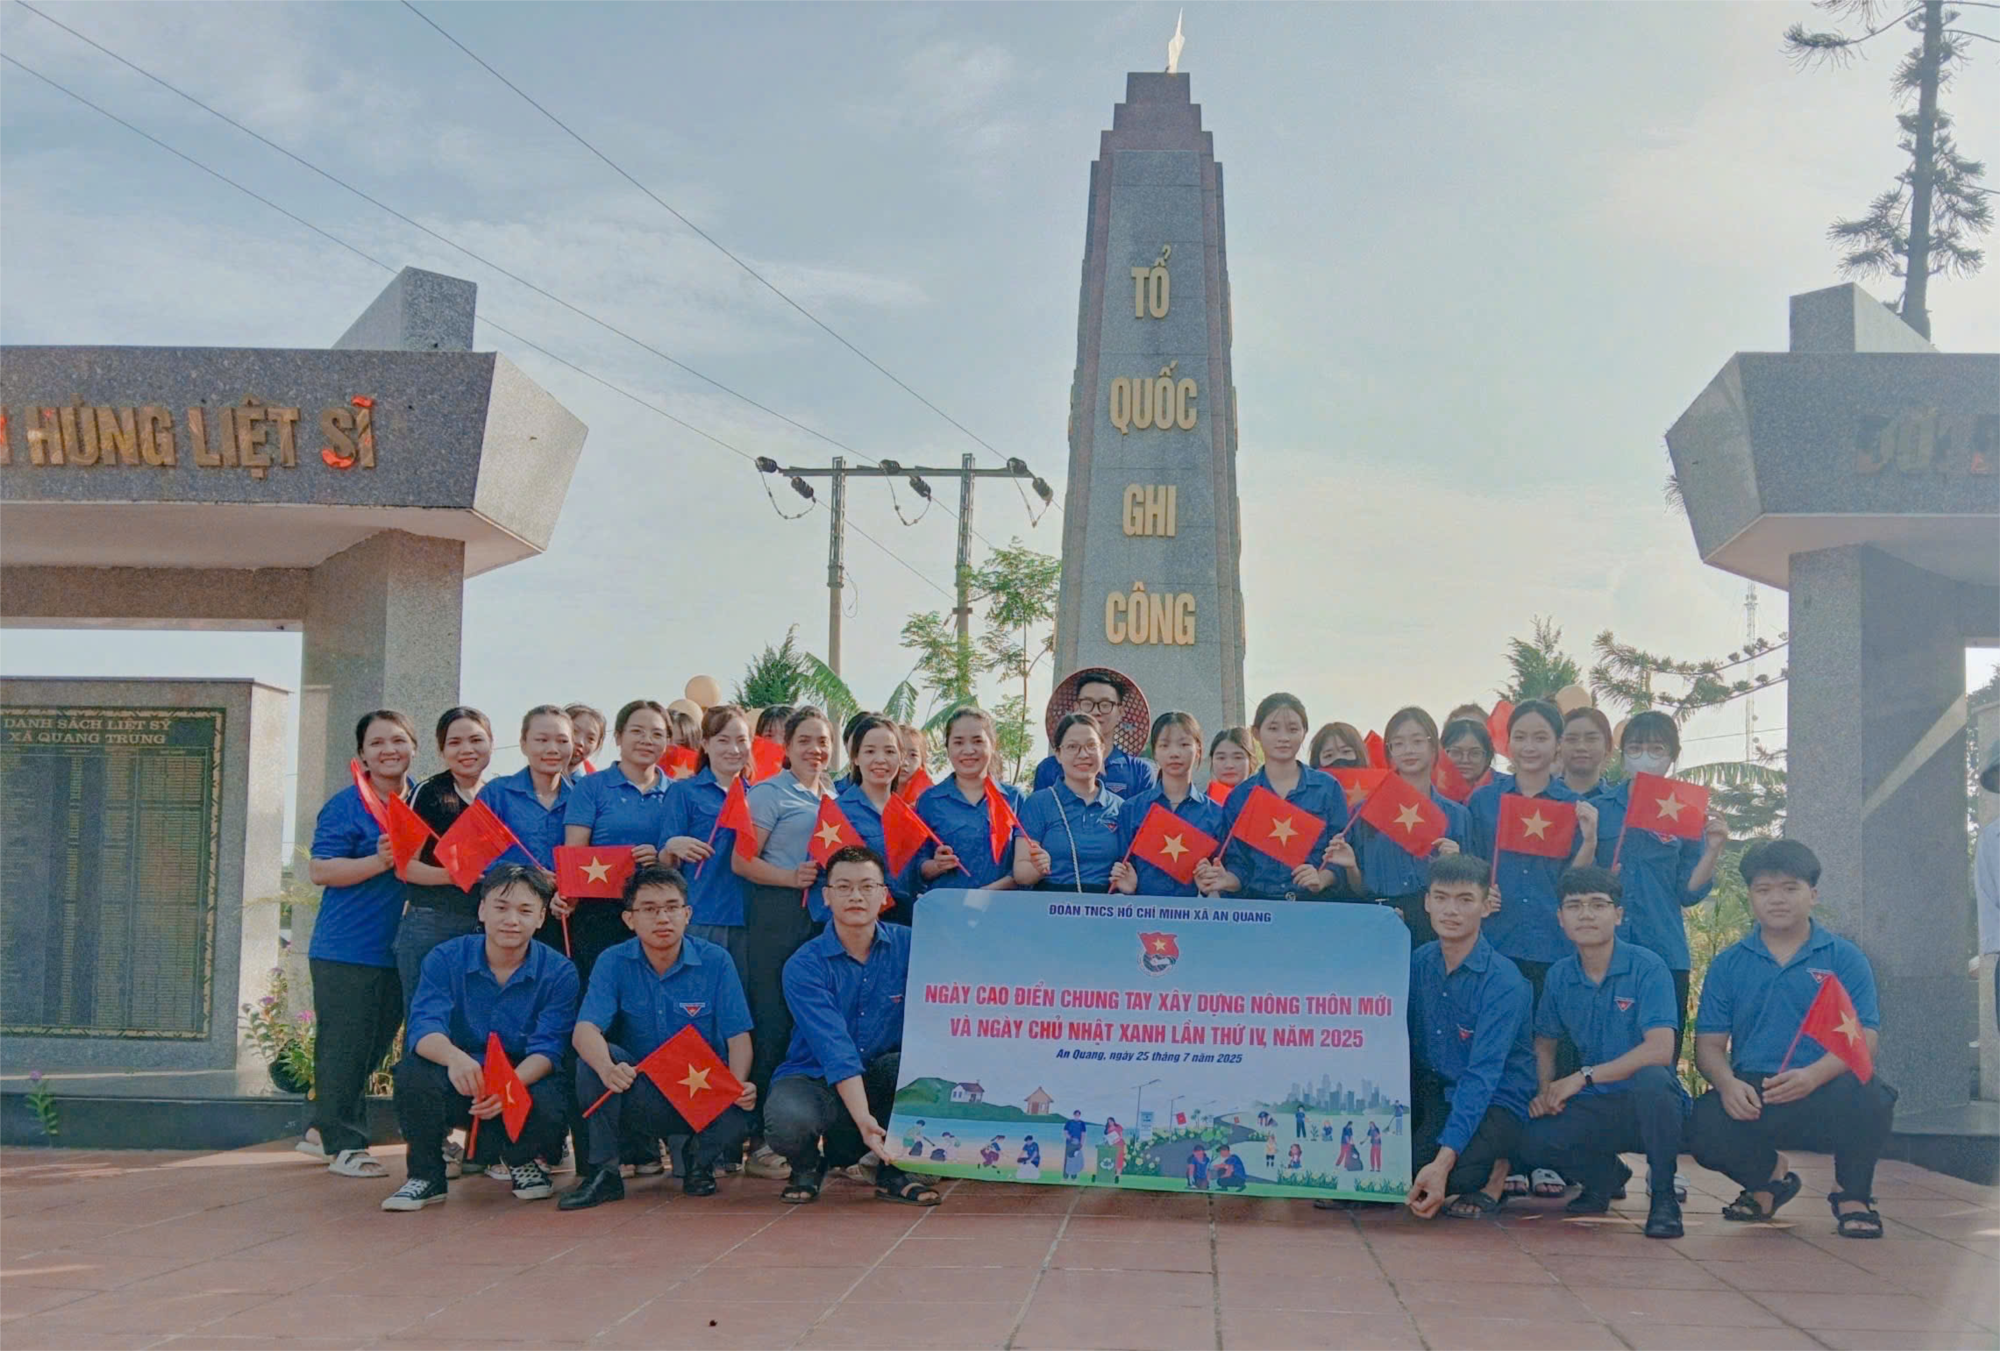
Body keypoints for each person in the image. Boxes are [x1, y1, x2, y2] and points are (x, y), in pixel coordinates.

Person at [1688, 840, 1896, 1239]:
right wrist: (1728, 1084)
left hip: (1824, 1086)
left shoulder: (1843, 957)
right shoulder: (1729, 963)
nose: (1777, 899)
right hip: (1756, 1091)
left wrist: (1813, 1076)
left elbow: (1865, 1039)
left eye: (1790, 888)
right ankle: (1768, 1179)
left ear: (1812, 894)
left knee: (1873, 1096)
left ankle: (1852, 1196)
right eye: (1764, 890)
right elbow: (1709, 1046)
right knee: (1701, 1122)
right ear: (1751, 897)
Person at [558, 864, 756, 1208]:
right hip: (642, 1088)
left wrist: (736, 1086)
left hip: (701, 1090)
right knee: (592, 1062)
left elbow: (738, 1036)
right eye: (649, 909)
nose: (662, 918)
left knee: (744, 1104)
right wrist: (607, 1068)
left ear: (687, 914)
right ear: (629, 919)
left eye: (671, 907)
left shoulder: (716, 960)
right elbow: (585, 1030)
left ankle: (699, 1160)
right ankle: (605, 1173)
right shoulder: (613, 961)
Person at [382, 865, 577, 1210]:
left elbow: (549, 1049)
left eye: (525, 911)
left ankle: (520, 1159)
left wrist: (508, 1086)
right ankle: (426, 1176)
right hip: (461, 1074)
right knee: (413, 1074)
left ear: (541, 917)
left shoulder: (559, 971)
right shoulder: (445, 958)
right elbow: (424, 1029)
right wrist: (455, 1059)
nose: (512, 920)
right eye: (501, 908)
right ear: (482, 909)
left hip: (519, 1077)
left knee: (555, 1096)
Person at [1514, 866, 1688, 1239]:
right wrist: (1544, 1092)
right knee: (1531, 1136)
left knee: (1654, 1081)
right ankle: (1604, 1178)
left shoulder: (1648, 967)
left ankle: (1663, 1199)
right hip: (1598, 1103)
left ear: (1618, 914)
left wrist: (1583, 1077)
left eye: (1598, 905)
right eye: (1574, 906)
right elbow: (1545, 1041)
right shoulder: (1560, 975)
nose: (1586, 915)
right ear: (1560, 918)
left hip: (1650, 1106)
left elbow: (1660, 1049)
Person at [764, 845, 940, 1206]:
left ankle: (893, 1173)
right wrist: (862, 1119)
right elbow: (834, 1049)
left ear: (884, 895)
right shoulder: (804, 965)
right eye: (843, 887)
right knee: (787, 1118)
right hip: (816, 1077)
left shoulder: (913, 946)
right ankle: (807, 1166)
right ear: (827, 896)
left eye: (867, 886)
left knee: (912, 1071)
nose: (856, 896)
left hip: (879, 1076)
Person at [306, 710, 417, 1180]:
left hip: (399, 949)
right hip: (347, 948)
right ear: (362, 755)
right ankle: (345, 1145)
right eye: (377, 743)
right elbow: (321, 870)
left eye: (398, 740)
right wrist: (379, 860)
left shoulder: (423, 801)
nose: (389, 750)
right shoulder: (346, 805)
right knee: (345, 1047)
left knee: (373, 1048)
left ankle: (321, 1130)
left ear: (414, 748)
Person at [1395, 853, 1535, 1221]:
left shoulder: (1504, 981)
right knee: (1400, 1172)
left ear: (1486, 906)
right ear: (1427, 902)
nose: (1451, 910)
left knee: (1453, 1175)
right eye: (1441, 897)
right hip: (1441, 1092)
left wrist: (1443, 1164)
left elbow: (1483, 1075)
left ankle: (1499, 1168)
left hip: (1495, 1098)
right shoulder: (1419, 962)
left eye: (1465, 899)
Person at [735, 707, 839, 1178]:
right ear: (787, 747)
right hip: (777, 916)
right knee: (773, 1021)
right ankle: (761, 1139)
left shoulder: (832, 795)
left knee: (811, 1022)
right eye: (805, 741)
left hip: (820, 918)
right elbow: (742, 862)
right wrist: (788, 878)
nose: (815, 749)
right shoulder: (767, 793)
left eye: (823, 741)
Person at [1595, 711, 1729, 1058]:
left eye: (1656, 749)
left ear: (1672, 756)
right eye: (1635, 747)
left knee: (1659, 1061)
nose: (1645, 757)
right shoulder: (1599, 809)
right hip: (1602, 951)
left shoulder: (1685, 811)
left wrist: (1713, 850)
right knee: (1600, 1053)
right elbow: (1574, 878)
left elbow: (1689, 892)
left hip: (1663, 950)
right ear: (1622, 754)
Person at [1466, 700, 1599, 997]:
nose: (1529, 747)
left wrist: (1590, 840)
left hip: (1552, 941)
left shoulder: (1572, 806)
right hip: (1493, 938)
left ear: (1558, 744)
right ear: (1508, 742)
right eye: (1520, 737)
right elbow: (1471, 863)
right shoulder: (1484, 800)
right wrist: (1480, 889)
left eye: (1540, 738)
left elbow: (1574, 882)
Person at [1326, 706, 1470, 943]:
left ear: (1434, 747)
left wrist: (1456, 863)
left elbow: (1470, 890)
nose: (1408, 750)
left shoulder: (1457, 815)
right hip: (1379, 922)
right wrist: (1351, 868)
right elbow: (1359, 889)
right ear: (1390, 752)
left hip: (1436, 926)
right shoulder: (1365, 811)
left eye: (1417, 741)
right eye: (1399, 743)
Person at [562, 700, 674, 987]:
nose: (647, 740)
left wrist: (661, 857)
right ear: (619, 737)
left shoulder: (678, 793)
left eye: (657, 734)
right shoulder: (591, 787)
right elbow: (575, 854)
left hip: (658, 913)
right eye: (637, 731)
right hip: (599, 913)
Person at [394, 707, 496, 1020]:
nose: (466, 750)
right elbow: (405, 867)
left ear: (491, 743)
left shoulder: (497, 794)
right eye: (454, 742)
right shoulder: (427, 793)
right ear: (441, 751)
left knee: (474, 1024)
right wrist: (455, 876)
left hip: (487, 928)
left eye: (476, 740)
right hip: (432, 923)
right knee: (427, 1020)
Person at [1214, 693, 1349, 901]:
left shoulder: (1327, 788)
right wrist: (1227, 879)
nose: (1283, 738)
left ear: (1304, 732)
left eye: (1293, 729)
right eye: (1273, 728)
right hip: (1259, 907)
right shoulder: (1241, 797)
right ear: (1256, 733)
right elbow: (1237, 862)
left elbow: (1341, 852)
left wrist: (1321, 878)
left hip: (1314, 905)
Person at [657, 705, 756, 987]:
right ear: (705, 743)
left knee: (742, 1001)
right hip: (703, 913)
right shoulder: (683, 792)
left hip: (752, 916)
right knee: (697, 996)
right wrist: (672, 846)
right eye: (723, 740)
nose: (733, 749)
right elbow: (664, 863)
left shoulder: (759, 795)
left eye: (741, 740)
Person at [481, 706, 576, 955]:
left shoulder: (584, 795)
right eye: (541, 740)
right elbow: (475, 857)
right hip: (510, 918)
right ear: (523, 744)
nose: (552, 749)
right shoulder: (497, 792)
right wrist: (528, 874)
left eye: (562, 741)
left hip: (567, 916)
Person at [1112, 712, 1227, 898]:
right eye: (1164, 745)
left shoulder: (1215, 814)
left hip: (1194, 914)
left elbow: (1221, 883)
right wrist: (1127, 887)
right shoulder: (1132, 809)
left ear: (1198, 749)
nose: (1174, 753)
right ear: (1155, 752)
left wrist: (1211, 886)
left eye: (1184, 744)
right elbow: (1121, 871)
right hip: (1142, 912)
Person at [1015, 713, 1126, 892]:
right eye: (1072, 747)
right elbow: (1020, 872)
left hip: (1105, 906)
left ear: (1103, 750)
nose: (1083, 754)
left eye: (1091, 745)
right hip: (1051, 904)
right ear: (1058, 754)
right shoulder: (1038, 803)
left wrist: (1128, 880)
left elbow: (1129, 865)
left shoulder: (1121, 807)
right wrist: (1037, 869)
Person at [911, 706, 1016, 893]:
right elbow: (918, 867)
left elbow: (1024, 866)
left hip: (1002, 905)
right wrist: (937, 865)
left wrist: (985, 894)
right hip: (947, 906)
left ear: (993, 744)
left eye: (977, 741)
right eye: (958, 742)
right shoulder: (930, 801)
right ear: (947, 748)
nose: (968, 750)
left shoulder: (1014, 798)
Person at [837, 714, 924, 923]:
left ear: (901, 758)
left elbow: (916, 878)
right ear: (855, 758)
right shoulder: (838, 812)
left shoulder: (910, 816)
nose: (880, 759)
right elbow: (822, 881)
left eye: (890, 751)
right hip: (857, 926)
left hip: (905, 927)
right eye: (870, 751)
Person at [1032, 668, 1158, 799]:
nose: (1096, 712)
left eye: (1105, 705)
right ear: (1076, 709)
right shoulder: (1049, 769)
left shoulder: (1139, 772)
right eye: (1087, 704)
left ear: (1121, 712)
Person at [1559, 706, 1616, 802]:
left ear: (1607, 745)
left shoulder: (1619, 804)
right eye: (1572, 739)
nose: (1581, 747)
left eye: (1591, 739)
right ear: (1559, 745)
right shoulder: (1540, 797)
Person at [1440, 718, 1495, 793]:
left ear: (1487, 757)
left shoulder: (1505, 791)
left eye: (1474, 753)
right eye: (1456, 752)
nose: (1465, 760)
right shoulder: (1429, 791)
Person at [1207, 726, 1254, 803]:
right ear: (1212, 761)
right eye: (1221, 758)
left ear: (1251, 761)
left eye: (1238, 758)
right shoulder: (1199, 807)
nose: (1229, 765)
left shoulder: (1264, 802)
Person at [564, 703, 606, 776]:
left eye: (591, 739)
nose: (580, 742)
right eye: (574, 731)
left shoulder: (589, 782)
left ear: (597, 746)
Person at [1063, 1110, 1088, 1179]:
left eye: (1078, 1115)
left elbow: (1083, 1134)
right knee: (1067, 1159)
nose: (1077, 1116)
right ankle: (1065, 1176)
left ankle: (1074, 1177)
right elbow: (1065, 1132)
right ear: (1074, 1115)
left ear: (1079, 1115)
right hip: (1069, 1144)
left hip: (1077, 1144)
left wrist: (1081, 1143)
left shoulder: (1082, 1123)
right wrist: (1070, 1138)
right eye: (1076, 1114)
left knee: (1076, 1160)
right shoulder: (1069, 1122)